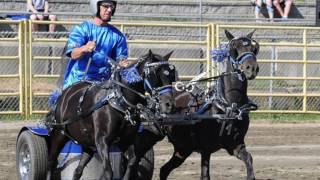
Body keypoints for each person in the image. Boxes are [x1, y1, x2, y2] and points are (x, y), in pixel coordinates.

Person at [62, 0, 129, 89]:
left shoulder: (118, 36)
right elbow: (73, 54)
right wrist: (84, 48)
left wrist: (123, 64)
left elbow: (120, 59)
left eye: (111, 7)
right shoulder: (82, 29)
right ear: (96, 7)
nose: (109, 10)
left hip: (104, 83)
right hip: (79, 81)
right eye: (105, 6)